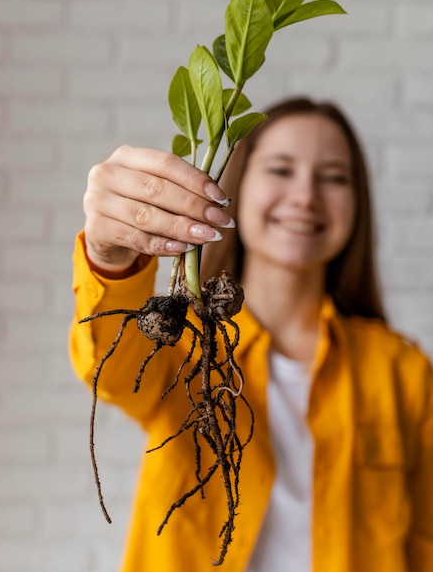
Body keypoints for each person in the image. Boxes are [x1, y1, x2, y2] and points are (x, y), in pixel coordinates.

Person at [69, 97, 433, 572]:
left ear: (358, 202)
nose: (306, 196)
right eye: (281, 170)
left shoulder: (402, 371)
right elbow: (110, 371)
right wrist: (112, 256)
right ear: (233, 187)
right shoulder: (183, 344)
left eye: (334, 177)